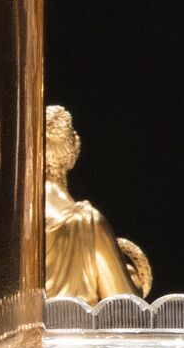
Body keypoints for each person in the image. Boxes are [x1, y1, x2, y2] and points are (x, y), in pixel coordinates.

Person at [42, 103, 152, 301]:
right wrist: (134, 277)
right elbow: (124, 306)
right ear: (73, 149)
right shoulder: (88, 223)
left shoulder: (11, 222)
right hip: (75, 331)